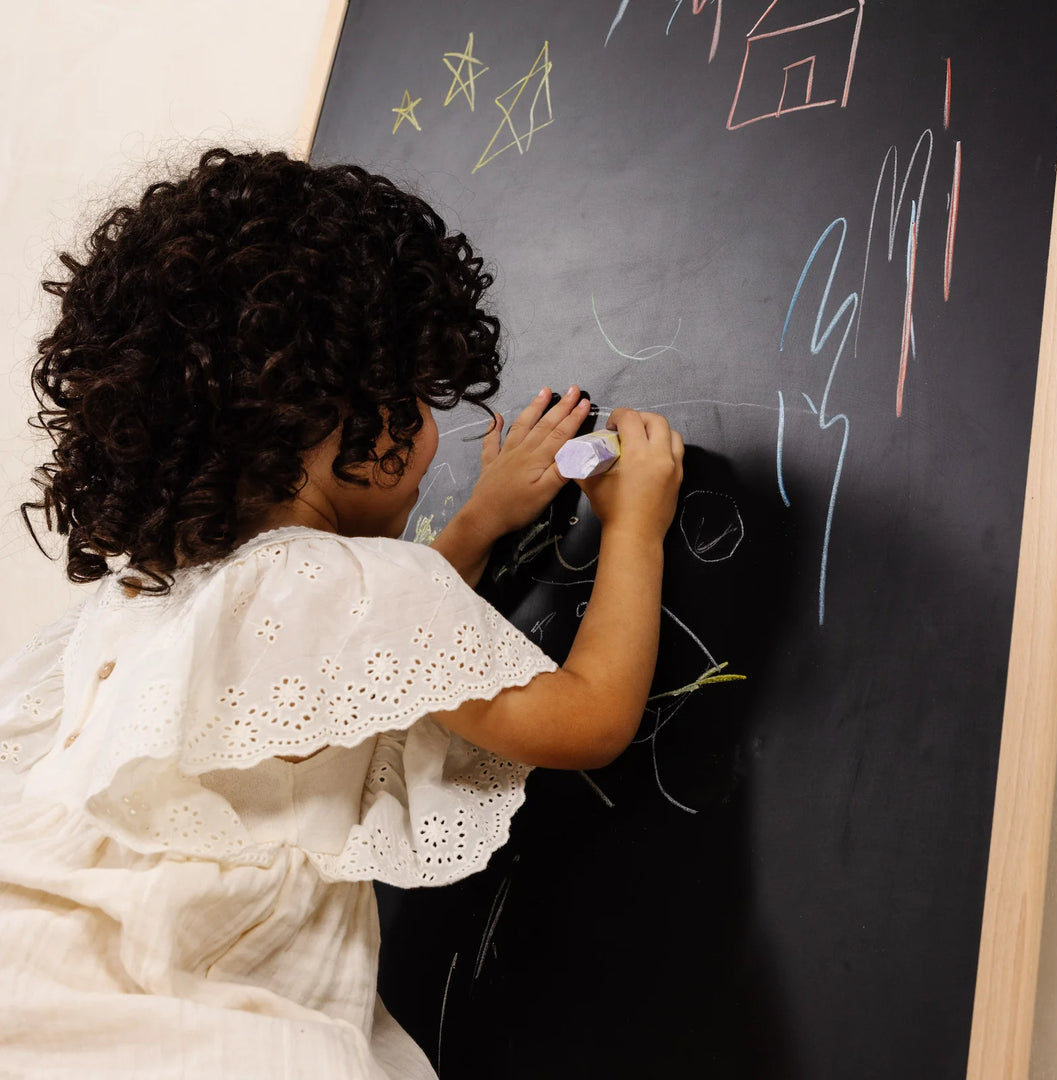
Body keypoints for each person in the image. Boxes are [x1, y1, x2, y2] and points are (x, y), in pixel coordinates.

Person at [0, 148, 683, 1079]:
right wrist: (635, 522)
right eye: (417, 399)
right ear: (356, 424)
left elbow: (353, 660)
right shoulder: (356, 590)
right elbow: (588, 717)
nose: (432, 431)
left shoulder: (139, 606)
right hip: (200, 1034)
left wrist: (479, 524)